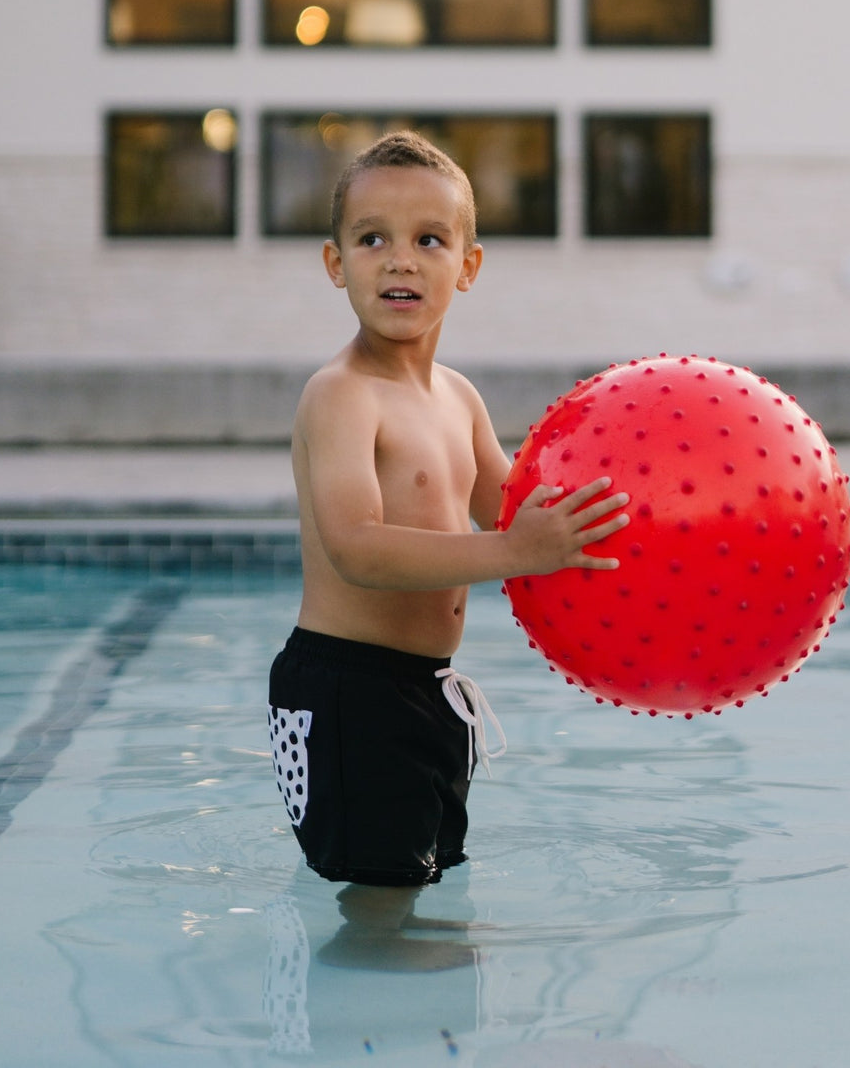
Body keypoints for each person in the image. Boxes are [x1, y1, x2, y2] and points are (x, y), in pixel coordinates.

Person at [268, 130, 629, 911]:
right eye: (372, 240)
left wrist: (624, 515)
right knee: (378, 909)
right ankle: (359, 1029)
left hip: (430, 692)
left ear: (466, 266)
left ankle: (411, 1028)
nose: (401, 259)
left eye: (429, 239)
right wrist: (514, 550)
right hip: (344, 690)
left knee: (423, 888)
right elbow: (357, 547)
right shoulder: (341, 395)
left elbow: (522, 513)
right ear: (337, 264)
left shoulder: (458, 397)